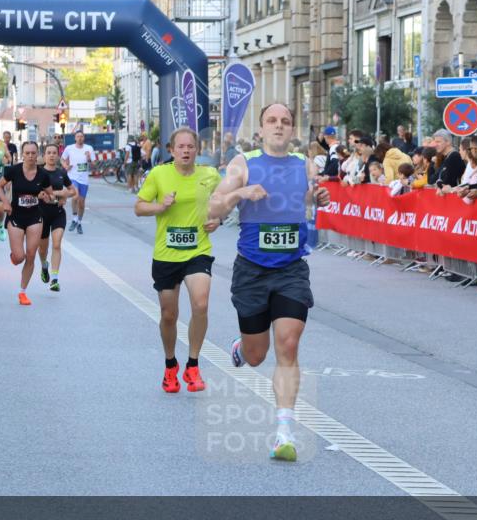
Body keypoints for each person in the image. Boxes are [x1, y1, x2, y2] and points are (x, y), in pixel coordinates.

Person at [208, 102, 331, 462]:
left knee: (288, 344)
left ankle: (284, 433)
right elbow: (213, 207)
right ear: (261, 129)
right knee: (257, 355)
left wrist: (318, 197)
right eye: (272, 121)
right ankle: (242, 347)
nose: (279, 126)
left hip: (292, 268)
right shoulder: (243, 164)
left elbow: (307, 200)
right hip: (252, 270)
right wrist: (239, 194)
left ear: (292, 129)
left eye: (286, 121)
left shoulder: (305, 165)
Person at [135, 127, 222, 394]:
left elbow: (223, 203)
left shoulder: (210, 175)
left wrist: (218, 219)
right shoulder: (159, 174)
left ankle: (193, 365)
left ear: (197, 150)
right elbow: (139, 207)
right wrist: (160, 206)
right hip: (166, 254)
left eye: (190, 146)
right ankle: (170, 364)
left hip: (198, 251)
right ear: (171, 150)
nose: (186, 151)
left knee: (201, 303)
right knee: (169, 315)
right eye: (181, 147)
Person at [0, 141, 58, 305]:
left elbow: (51, 195)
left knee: (31, 255)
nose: (30, 156)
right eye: (27, 153)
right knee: (19, 257)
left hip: (34, 217)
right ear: (22, 154)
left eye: (33, 153)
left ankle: (22, 292)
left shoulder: (43, 175)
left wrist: (47, 197)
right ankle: (15, 257)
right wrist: (5, 202)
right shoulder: (14, 170)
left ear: (38, 155)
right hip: (16, 216)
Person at [38, 143, 76, 291]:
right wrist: (48, 195)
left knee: (56, 244)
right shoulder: (39, 173)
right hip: (41, 213)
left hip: (58, 213)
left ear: (58, 156)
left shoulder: (62, 173)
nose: (52, 155)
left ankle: (54, 279)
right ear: (44, 156)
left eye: (54, 153)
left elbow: (73, 191)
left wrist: (62, 194)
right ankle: (44, 266)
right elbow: (35, 191)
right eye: (49, 153)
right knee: (42, 250)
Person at [61, 130, 94, 234]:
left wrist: (89, 158)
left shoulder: (89, 148)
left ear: (84, 138)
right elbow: (62, 159)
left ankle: (79, 222)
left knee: (82, 203)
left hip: (84, 179)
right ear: (75, 138)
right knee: (75, 196)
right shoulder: (69, 148)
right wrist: (66, 166)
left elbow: (94, 164)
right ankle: (74, 218)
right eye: (78, 136)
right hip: (73, 177)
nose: (80, 138)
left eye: (81, 136)